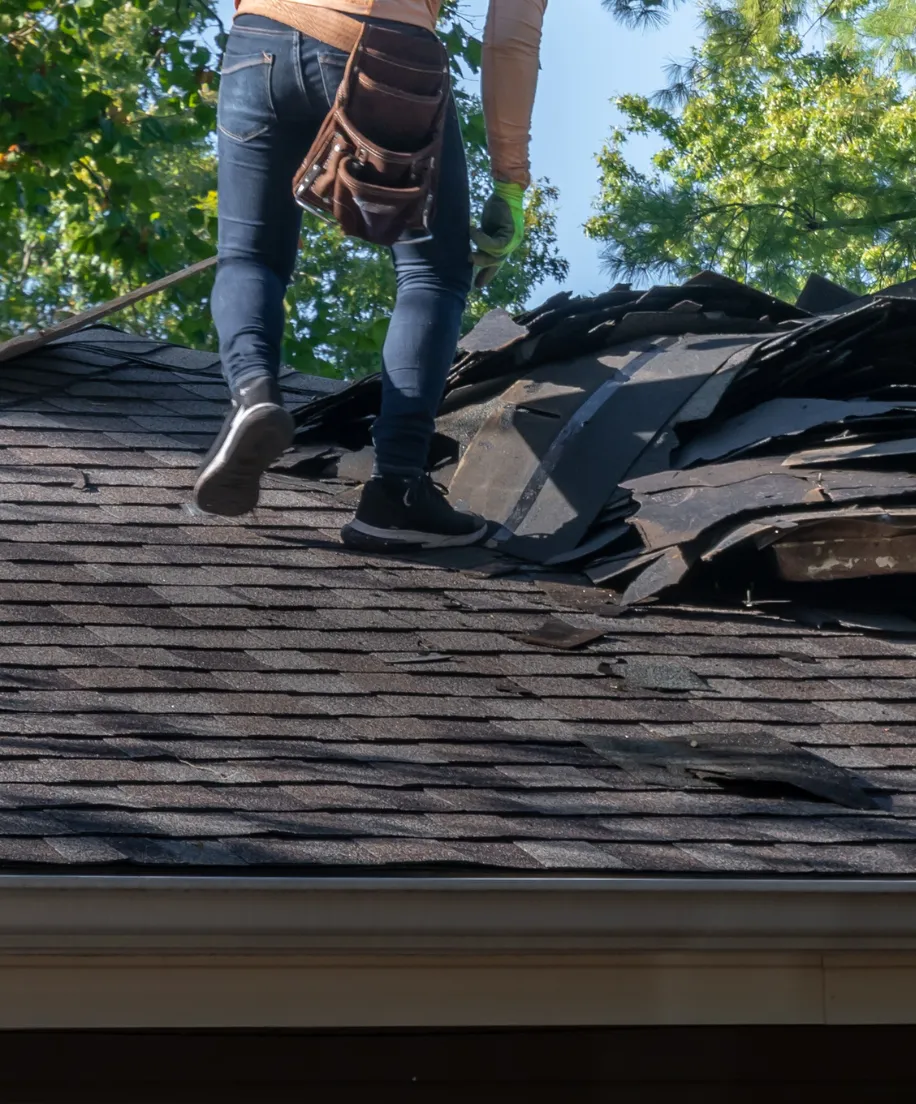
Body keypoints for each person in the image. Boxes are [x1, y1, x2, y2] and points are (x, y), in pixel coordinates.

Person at [194, 0, 547, 551]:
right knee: (433, 273)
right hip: (388, 46)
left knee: (249, 255)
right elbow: (511, 37)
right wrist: (509, 181)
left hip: (257, 38)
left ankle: (252, 393)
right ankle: (397, 489)